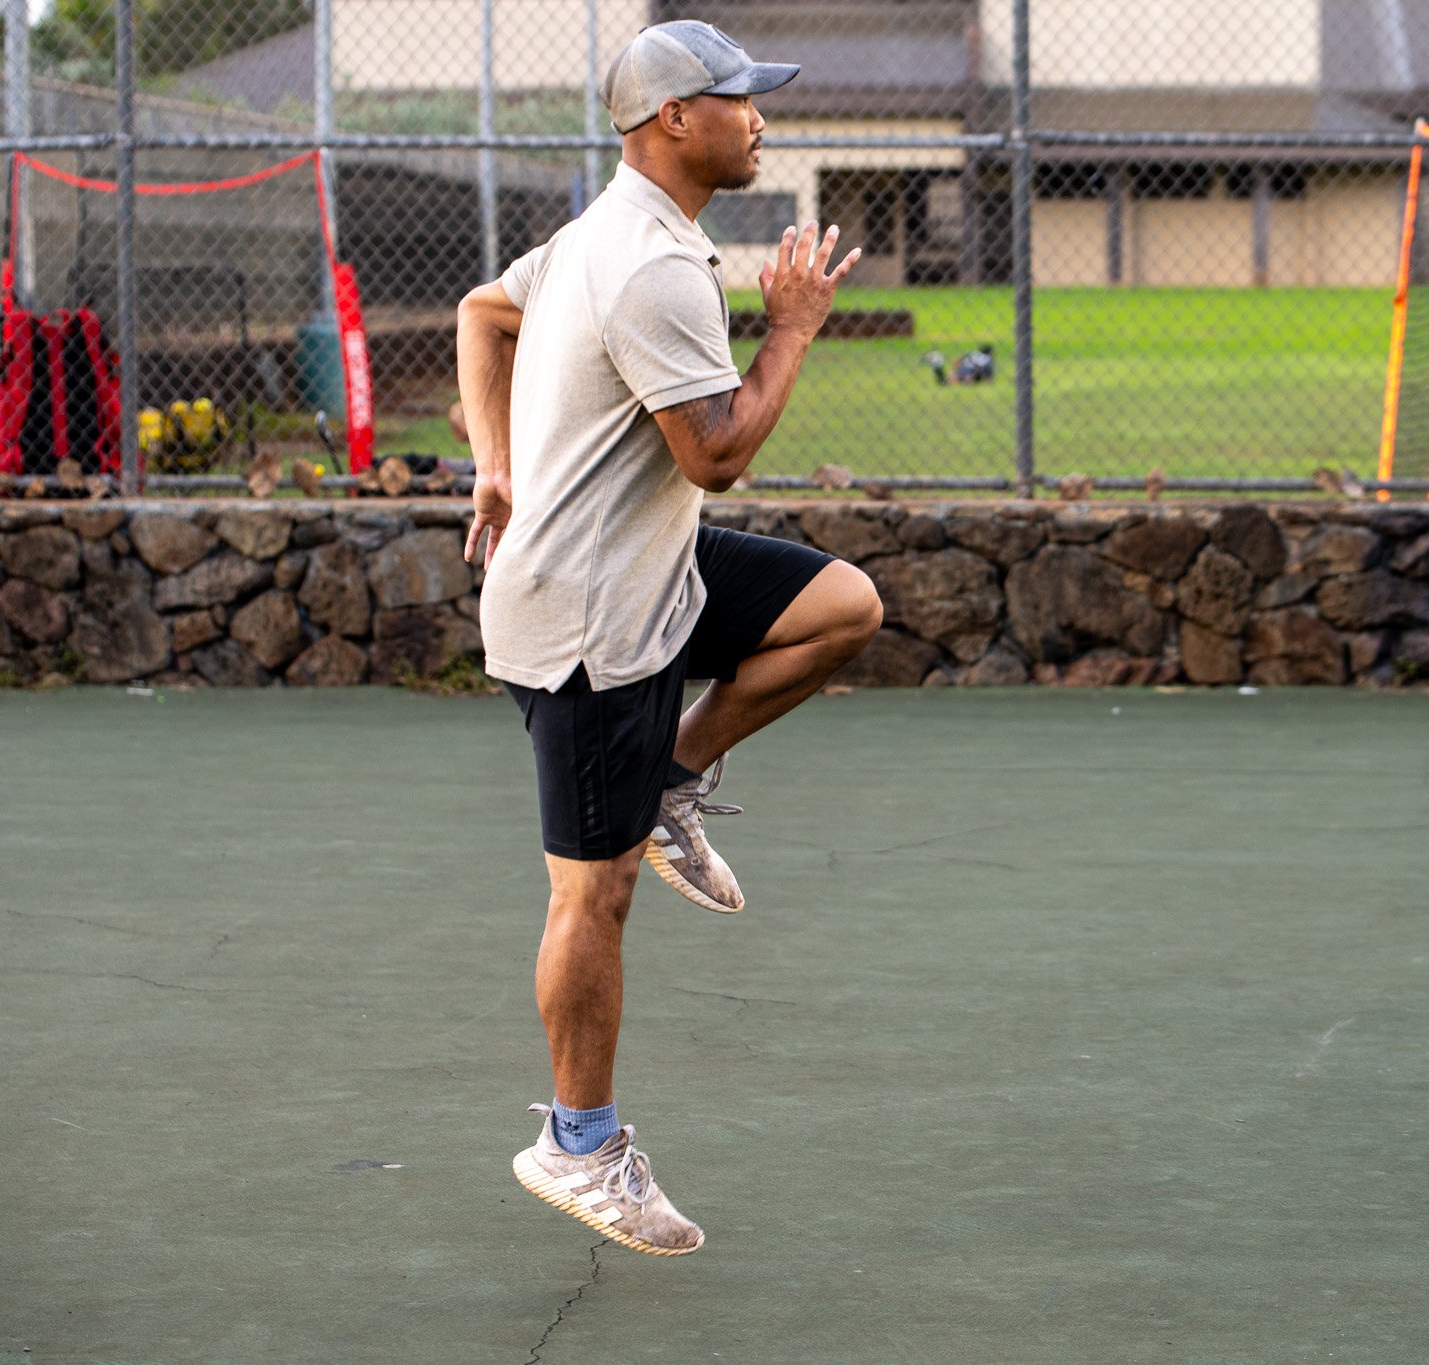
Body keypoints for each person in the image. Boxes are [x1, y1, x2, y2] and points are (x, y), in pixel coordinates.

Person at [454, 20, 882, 1257]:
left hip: (653, 567)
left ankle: (673, 778)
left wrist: (496, 469)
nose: (758, 118)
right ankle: (577, 1148)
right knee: (593, 898)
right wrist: (793, 325)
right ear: (669, 122)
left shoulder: (613, 233)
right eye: (736, 101)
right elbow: (720, 455)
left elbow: (484, 311)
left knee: (838, 606)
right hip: (588, 621)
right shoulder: (645, 265)